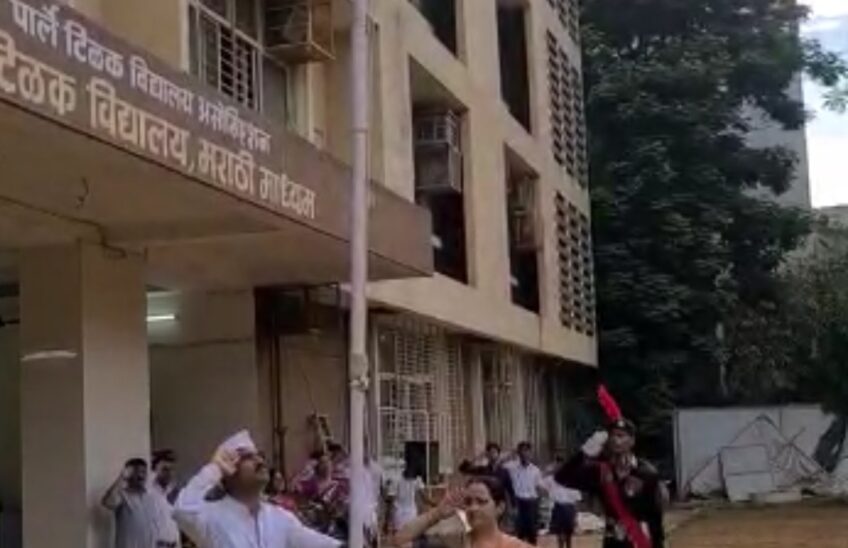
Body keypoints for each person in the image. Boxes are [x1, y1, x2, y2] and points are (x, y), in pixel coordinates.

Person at [173, 431, 341, 548]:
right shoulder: (213, 517)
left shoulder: (279, 518)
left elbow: (321, 544)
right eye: (248, 457)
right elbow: (182, 510)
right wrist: (215, 468)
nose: (260, 461)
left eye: (260, 456)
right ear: (229, 470)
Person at [555, 420, 666, 548]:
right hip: (612, 541)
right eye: (612, 436)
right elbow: (562, 478)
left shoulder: (646, 473)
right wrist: (583, 454)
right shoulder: (600, 471)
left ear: (632, 441)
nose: (615, 440)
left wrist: (658, 545)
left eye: (621, 436)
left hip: (638, 540)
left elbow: (655, 517)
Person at [389, 475, 531, 548]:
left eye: (481, 502)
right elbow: (400, 539)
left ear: (500, 507)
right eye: (468, 502)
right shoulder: (455, 541)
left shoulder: (515, 546)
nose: (473, 508)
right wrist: (436, 513)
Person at [102, 457, 182, 548]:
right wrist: (122, 477)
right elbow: (108, 502)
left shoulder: (152, 496)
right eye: (136, 472)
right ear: (128, 474)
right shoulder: (123, 495)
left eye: (143, 472)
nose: (141, 476)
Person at [502, 442, 545, 545]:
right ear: (518, 453)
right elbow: (499, 463)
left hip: (531, 503)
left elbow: (539, 488)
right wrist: (511, 453)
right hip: (518, 503)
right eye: (521, 451)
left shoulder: (536, 470)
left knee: (532, 533)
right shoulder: (512, 467)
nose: (524, 454)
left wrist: (538, 504)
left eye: (526, 451)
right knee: (519, 533)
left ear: (530, 453)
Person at [544, 457, 581, 548]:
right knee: (559, 535)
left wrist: (576, 517)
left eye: (561, 465)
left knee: (568, 536)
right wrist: (547, 470)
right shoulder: (551, 479)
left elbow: (576, 499)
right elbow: (539, 481)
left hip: (569, 508)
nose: (559, 467)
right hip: (558, 507)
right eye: (557, 465)